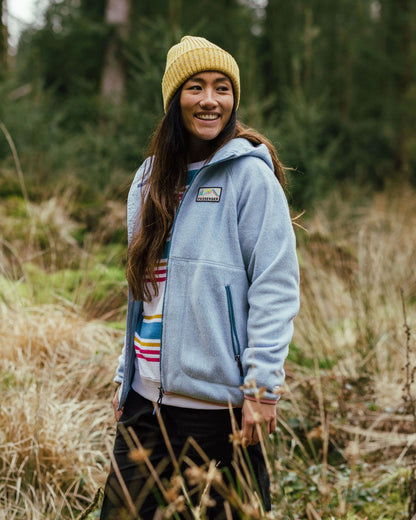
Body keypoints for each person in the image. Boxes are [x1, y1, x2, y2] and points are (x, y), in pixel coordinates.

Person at [100, 35, 300, 520]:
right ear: (175, 99)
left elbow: (275, 285)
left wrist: (262, 389)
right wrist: (127, 375)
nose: (210, 100)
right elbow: (143, 291)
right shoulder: (148, 179)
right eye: (196, 87)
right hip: (146, 405)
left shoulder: (250, 177)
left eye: (222, 88)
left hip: (219, 410)